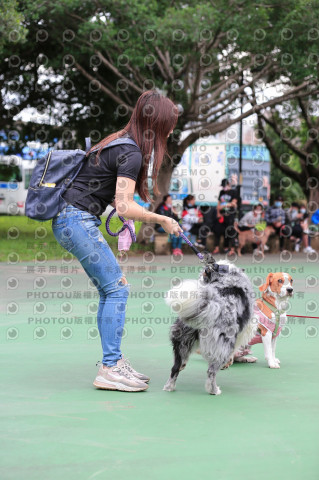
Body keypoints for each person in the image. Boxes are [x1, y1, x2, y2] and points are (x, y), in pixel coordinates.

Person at [52, 90, 182, 393]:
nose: (173, 129)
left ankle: (114, 362)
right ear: (159, 123)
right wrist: (162, 219)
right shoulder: (132, 151)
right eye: (171, 123)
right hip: (75, 221)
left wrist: (124, 216)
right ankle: (110, 367)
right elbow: (124, 205)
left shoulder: (118, 142)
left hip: (72, 220)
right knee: (117, 289)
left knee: (109, 290)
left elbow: (110, 196)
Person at [212, 179, 238, 255]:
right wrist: (218, 212)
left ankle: (232, 250)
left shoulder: (234, 192)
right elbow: (218, 203)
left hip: (230, 215)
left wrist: (223, 206)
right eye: (223, 186)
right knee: (218, 231)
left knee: (230, 232)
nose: (224, 188)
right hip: (221, 215)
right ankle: (217, 248)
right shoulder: (221, 192)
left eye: (225, 186)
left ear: (228, 185)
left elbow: (233, 203)